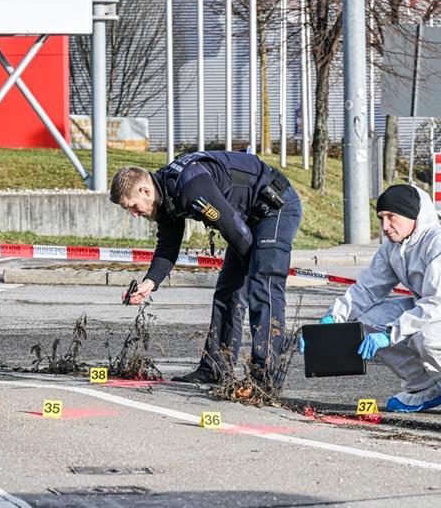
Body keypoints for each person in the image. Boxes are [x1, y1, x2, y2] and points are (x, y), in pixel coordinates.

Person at [110, 151, 302, 388]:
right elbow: (168, 247)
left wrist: (260, 267)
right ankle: (215, 367)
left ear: (145, 191)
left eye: (133, 207)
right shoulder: (168, 194)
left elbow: (233, 228)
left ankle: (266, 378)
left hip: (276, 208)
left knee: (263, 284)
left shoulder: (191, 185)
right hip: (246, 219)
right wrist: (149, 283)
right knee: (228, 291)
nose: (135, 214)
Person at [316, 184, 441, 417]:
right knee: (367, 321)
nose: (385, 226)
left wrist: (390, 333)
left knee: (430, 337)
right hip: (433, 306)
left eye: (391, 217)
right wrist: (333, 317)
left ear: (412, 215)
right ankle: (426, 386)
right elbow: (367, 288)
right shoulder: (393, 248)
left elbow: (439, 303)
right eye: (381, 218)